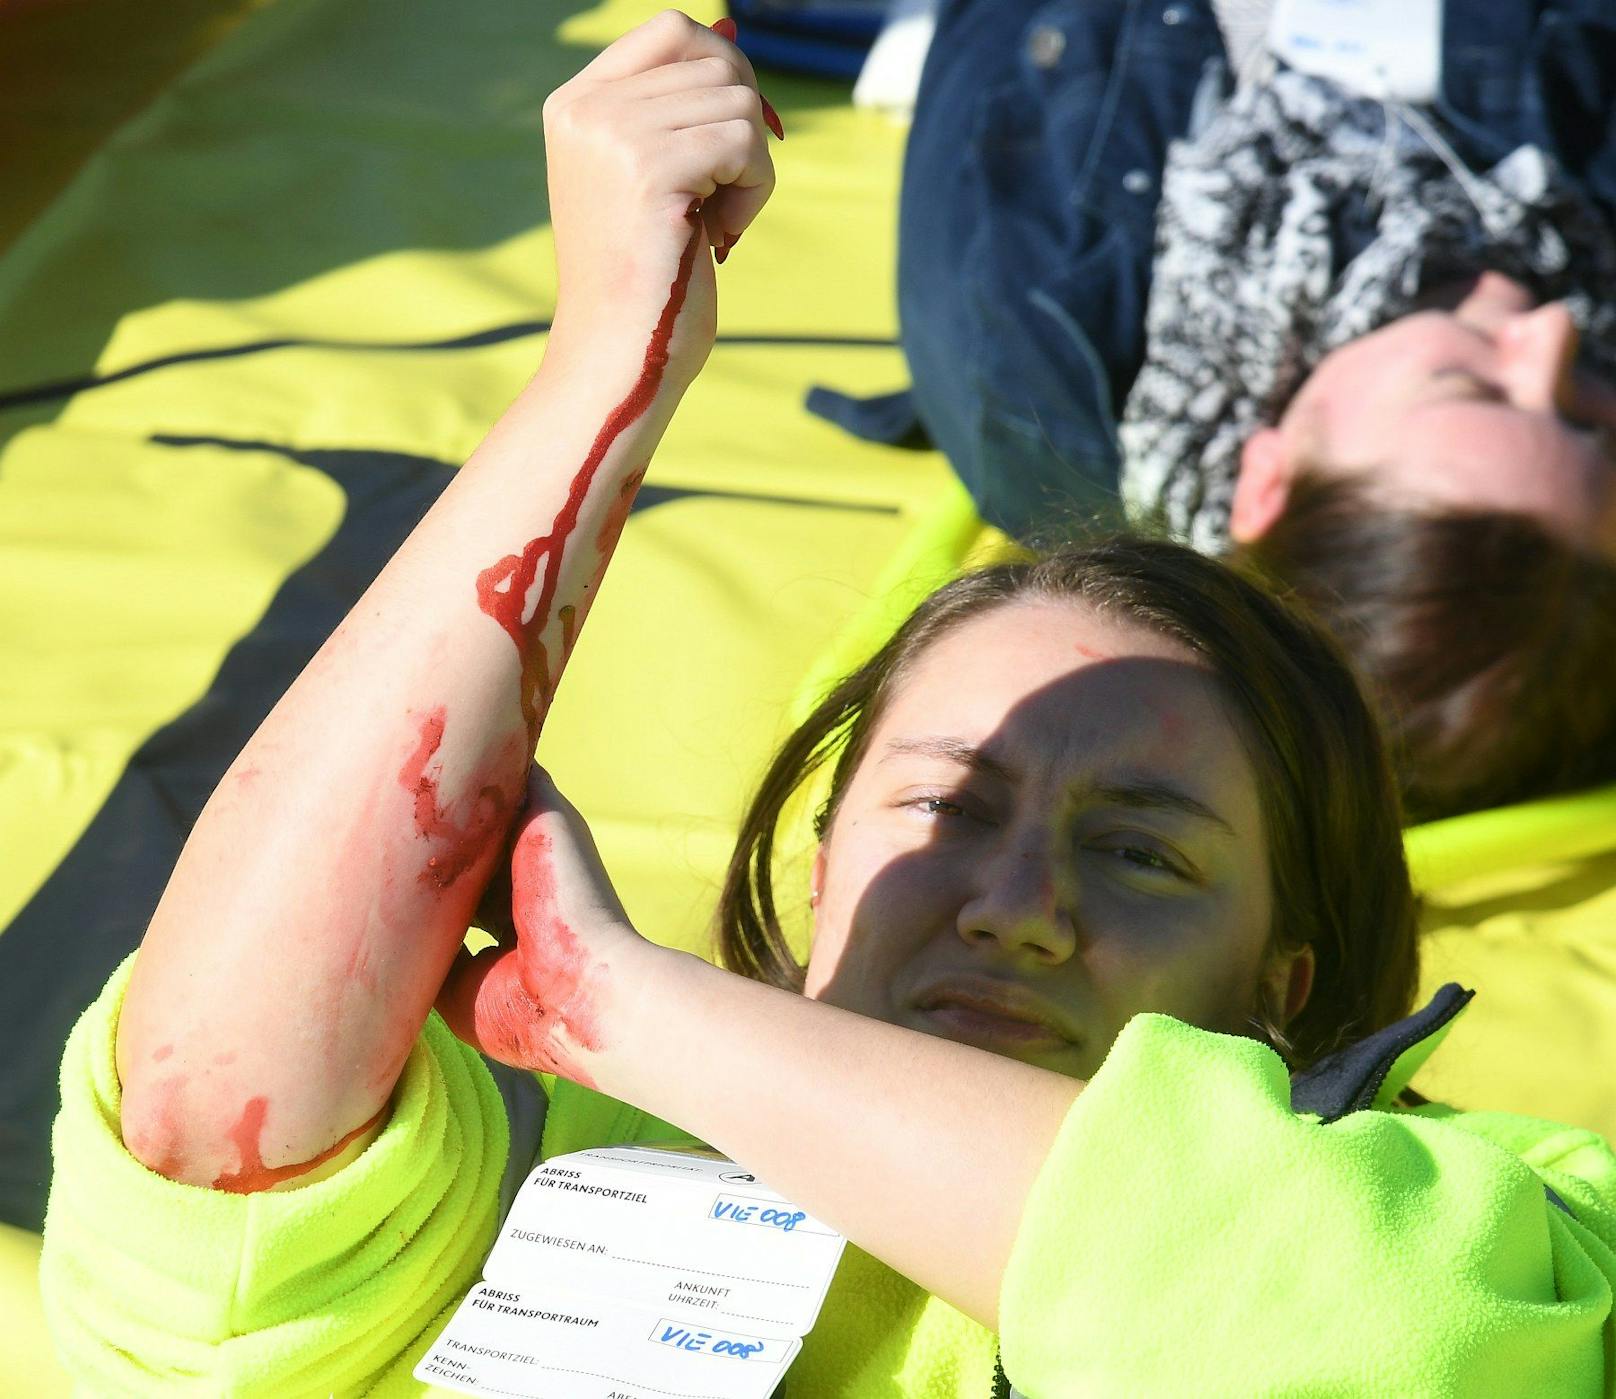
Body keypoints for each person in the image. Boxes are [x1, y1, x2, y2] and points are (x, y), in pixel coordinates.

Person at [40, 12, 1616, 1395]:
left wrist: (622, 1003)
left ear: (1286, 981)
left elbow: (1385, 1334)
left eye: (1146, 851)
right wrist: (606, 366)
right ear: (815, 872)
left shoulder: (1535, 1216)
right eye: (943, 803)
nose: (1021, 909)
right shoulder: (561, 1203)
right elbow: (203, 1179)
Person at [822, 0, 1616, 821]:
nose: (1552, 334)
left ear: (1265, 481)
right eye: (1593, 421)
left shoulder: (1037, 329)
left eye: (1473, 386)